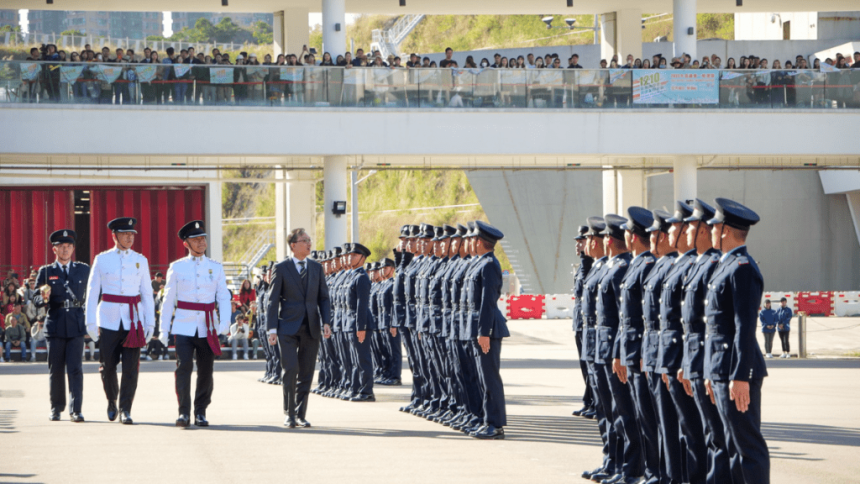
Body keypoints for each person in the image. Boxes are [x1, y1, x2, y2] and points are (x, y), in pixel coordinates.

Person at [704, 198, 770, 484]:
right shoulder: (725, 265)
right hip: (721, 368)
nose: (710, 232)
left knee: (747, 445)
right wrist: (710, 370)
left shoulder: (742, 267)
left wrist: (740, 376)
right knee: (730, 443)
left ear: (726, 231)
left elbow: (745, 327)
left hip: (737, 370)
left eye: (714, 227)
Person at [159, 220, 230, 427]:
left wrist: (224, 322)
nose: (201, 242)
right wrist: (163, 328)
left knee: (206, 370)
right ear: (186, 244)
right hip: (183, 324)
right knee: (184, 367)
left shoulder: (215, 267)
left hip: (208, 326)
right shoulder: (177, 267)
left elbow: (223, 297)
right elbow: (168, 299)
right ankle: (183, 412)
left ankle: (200, 411)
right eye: (196, 239)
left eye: (203, 238)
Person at [86, 217, 155, 425]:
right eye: (125, 233)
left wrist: (150, 323)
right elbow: (92, 292)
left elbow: (147, 293)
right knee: (107, 366)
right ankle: (111, 400)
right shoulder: (102, 259)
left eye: (132, 234)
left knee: (131, 368)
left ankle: (126, 408)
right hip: (108, 319)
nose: (130, 237)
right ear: (114, 235)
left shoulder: (140, 260)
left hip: (134, 320)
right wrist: (90, 322)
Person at [266, 228, 332, 428]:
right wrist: (272, 329)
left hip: (311, 327)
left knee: (306, 372)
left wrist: (326, 322)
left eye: (310, 240)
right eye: (304, 240)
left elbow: (323, 297)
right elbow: (273, 300)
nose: (309, 243)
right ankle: (289, 413)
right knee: (290, 369)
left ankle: (301, 414)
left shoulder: (316, 267)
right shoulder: (282, 267)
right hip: (287, 327)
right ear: (293, 245)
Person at [34, 229, 89, 422]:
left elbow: (92, 295)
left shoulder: (83, 269)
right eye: (61, 246)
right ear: (54, 249)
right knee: (55, 369)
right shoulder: (46, 271)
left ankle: (76, 410)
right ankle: (56, 408)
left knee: (75, 369)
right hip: (55, 324)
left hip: (75, 324)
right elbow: (35, 298)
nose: (65, 250)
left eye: (68, 246)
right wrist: (42, 296)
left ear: (73, 248)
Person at [465, 221, 509, 440]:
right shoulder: (480, 263)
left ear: (480, 242)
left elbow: (487, 302)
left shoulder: (490, 264)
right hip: (478, 328)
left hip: (488, 329)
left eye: (473, 239)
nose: (470, 243)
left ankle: (496, 424)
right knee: (482, 377)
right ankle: (486, 420)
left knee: (490, 378)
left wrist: (483, 332)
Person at [571, 225, 595, 418]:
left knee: (591, 365)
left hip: (588, 322)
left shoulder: (591, 264)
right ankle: (588, 401)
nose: (578, 245)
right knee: (584, 364)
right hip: (579, 321)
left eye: (581, 241)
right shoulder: (582, 264)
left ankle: (595, 401)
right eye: (577, 242)